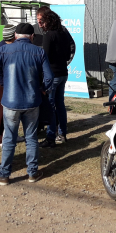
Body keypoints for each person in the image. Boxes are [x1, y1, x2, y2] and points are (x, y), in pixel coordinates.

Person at [0, 23, 53, 185]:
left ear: (15, 35)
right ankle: (32, 173)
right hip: (32, 101)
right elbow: (49, 77)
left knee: (9, 138)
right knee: (31, 137)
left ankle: (4, 175)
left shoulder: (4, 49)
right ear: (32, 37)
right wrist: (43, 89)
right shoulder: (39, 51)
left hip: (10, 101)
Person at [39, 10, 74, 148]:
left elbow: (44, 57)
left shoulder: (49, 35)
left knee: (51, 107)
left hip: (52, 75)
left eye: (42, 21)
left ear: (49, 20)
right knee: (60, 105)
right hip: (63, 73)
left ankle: (50, 137)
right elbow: (67, 55)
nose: (41, 24)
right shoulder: (63, 33)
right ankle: (62, 134)